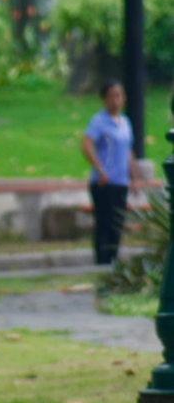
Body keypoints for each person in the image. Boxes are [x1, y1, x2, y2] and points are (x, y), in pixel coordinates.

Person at [81, 81, 140, 266]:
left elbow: (128, 151)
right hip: (104, 182)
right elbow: (86, 145)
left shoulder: (125, 123)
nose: (116, 100)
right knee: (104, 223)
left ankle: (113, 260)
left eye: (120, 95)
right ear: (105, 99)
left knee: (117, 224)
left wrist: (134, 178)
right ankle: (102, 261)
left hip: (121, 181)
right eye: (112, 96)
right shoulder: (99, 122)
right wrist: (100, 170)